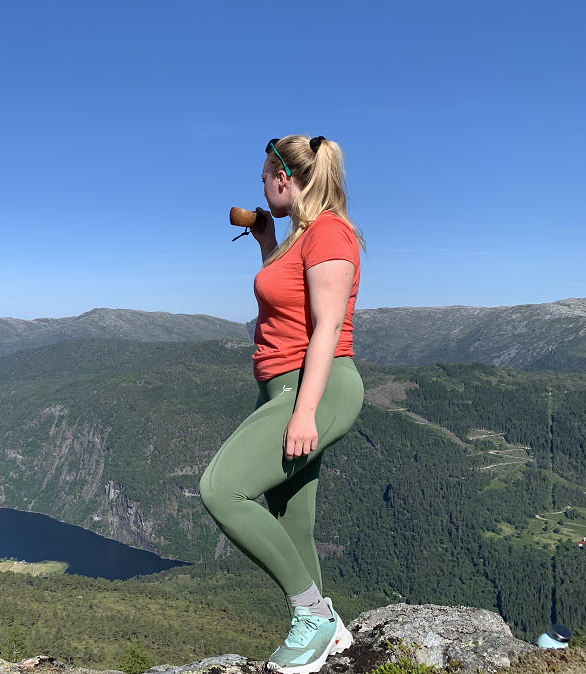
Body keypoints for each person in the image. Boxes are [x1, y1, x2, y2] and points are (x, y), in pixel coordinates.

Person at [199, 135, 365, 674]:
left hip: (316, 386)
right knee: (292, 520)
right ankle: (332, 631)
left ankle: (310, 616)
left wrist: (304, 411)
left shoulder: (331, 234)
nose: (261, 188)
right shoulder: (298, 237)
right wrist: (266, 244)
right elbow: (290, 305)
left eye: (264, 178)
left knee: (222, 489)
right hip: (283, 386)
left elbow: (327, 329)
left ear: (284, 179)